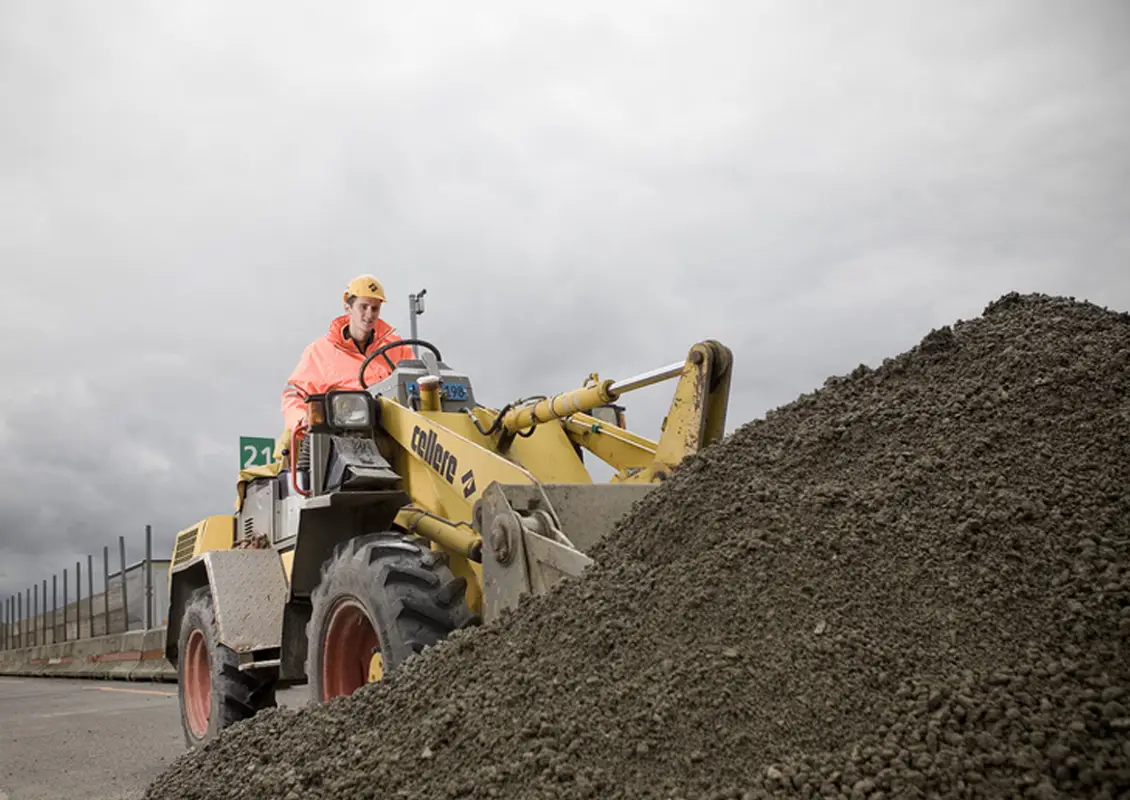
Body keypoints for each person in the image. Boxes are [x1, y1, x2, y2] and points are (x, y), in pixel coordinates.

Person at [280, 275, 416, 432]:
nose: (370, 314)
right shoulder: (320, 352)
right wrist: (301, 418)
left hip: (395, 429)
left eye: (375, 308)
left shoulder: (396, 347)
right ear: (348, 307)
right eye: (363, 307)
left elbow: (413, 379)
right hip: (344, 435)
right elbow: (294, 392)